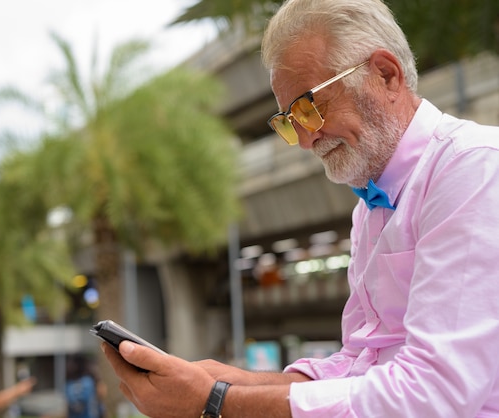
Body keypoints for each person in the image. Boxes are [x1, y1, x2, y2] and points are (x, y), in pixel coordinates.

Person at [101, 0, 499, 416]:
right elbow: (360, 362)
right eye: (290, 121)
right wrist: (228, 380)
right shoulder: (370, 206)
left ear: (386, 74)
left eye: (310, 107)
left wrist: (217, 402)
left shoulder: (474, 168)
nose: (306, 140)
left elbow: (433, 394)